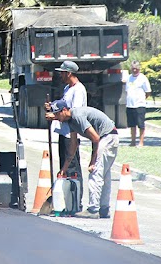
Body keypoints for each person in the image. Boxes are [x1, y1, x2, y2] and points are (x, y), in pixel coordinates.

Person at [46, 99, 119, 219]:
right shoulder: (70, 122)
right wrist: (64, 169)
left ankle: (93, 209)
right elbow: (73, 145)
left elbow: (95, 138)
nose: (56, 117)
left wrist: (92, 161)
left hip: (107, 137)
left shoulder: (77, 116)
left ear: (64, 110)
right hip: (108, 137)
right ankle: (104, 209)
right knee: (104, 175)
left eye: (57, 114)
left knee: (95, 173)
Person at [45, 60, 86, 207]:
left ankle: (76, 202)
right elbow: (63, 105)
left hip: (72, 134)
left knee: (72, 166)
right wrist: (52, 107)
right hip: (64, 132)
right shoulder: (68, 88)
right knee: (65, 165)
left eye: (62, 73)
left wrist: (54, 117)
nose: (60, 75)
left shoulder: (79, 90)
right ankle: (66, 200)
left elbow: (73, 113)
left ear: (69, 73)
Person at [126, 61, 152, 147]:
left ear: (139, 69)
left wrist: (142, 99)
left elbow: (148, 92)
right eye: (133, 68)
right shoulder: (129, 78)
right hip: (130, 105)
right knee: (132, 125)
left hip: (139, 105)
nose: (134, 70)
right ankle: (132, 142)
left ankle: (141, 142)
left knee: (141, 125)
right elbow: (127, 91)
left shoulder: (143, 78)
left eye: (136, 69)